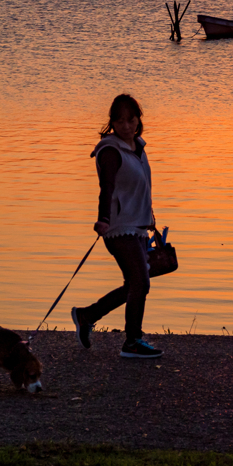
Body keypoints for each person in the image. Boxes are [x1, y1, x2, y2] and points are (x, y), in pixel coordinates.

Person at [71, 94, 163, 359]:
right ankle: (132, 341)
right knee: (140, 281)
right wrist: (103, 218)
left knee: (134, 283)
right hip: (117, 226)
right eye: (119, 121)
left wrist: (150, 222)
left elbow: (139, 188)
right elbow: (107, 186)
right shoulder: (110, 150)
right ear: (111, 122)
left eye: (130, 120)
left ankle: (87, 315)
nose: (125, 126)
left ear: (138, 120)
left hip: (137, 226)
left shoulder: (137, 146)